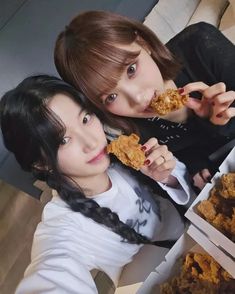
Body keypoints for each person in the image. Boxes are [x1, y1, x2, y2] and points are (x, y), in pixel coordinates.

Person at [0, 75, 193, 293]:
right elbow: (53, 271)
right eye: (63, 140)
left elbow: (186, 190)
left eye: (85, 119)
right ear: (41, 163)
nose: (91, 141)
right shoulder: (65, 227)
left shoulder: (125, 152)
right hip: (168, 278)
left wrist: (166, 175)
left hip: (196, 234)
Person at [54, 10, 235, 191]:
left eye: (131, 69)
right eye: (111, 97)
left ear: (143, 42)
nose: (138, 99)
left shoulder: (199, 44)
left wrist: (220, 121)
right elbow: (180, 168)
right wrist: (190, 169)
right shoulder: (123, 135)